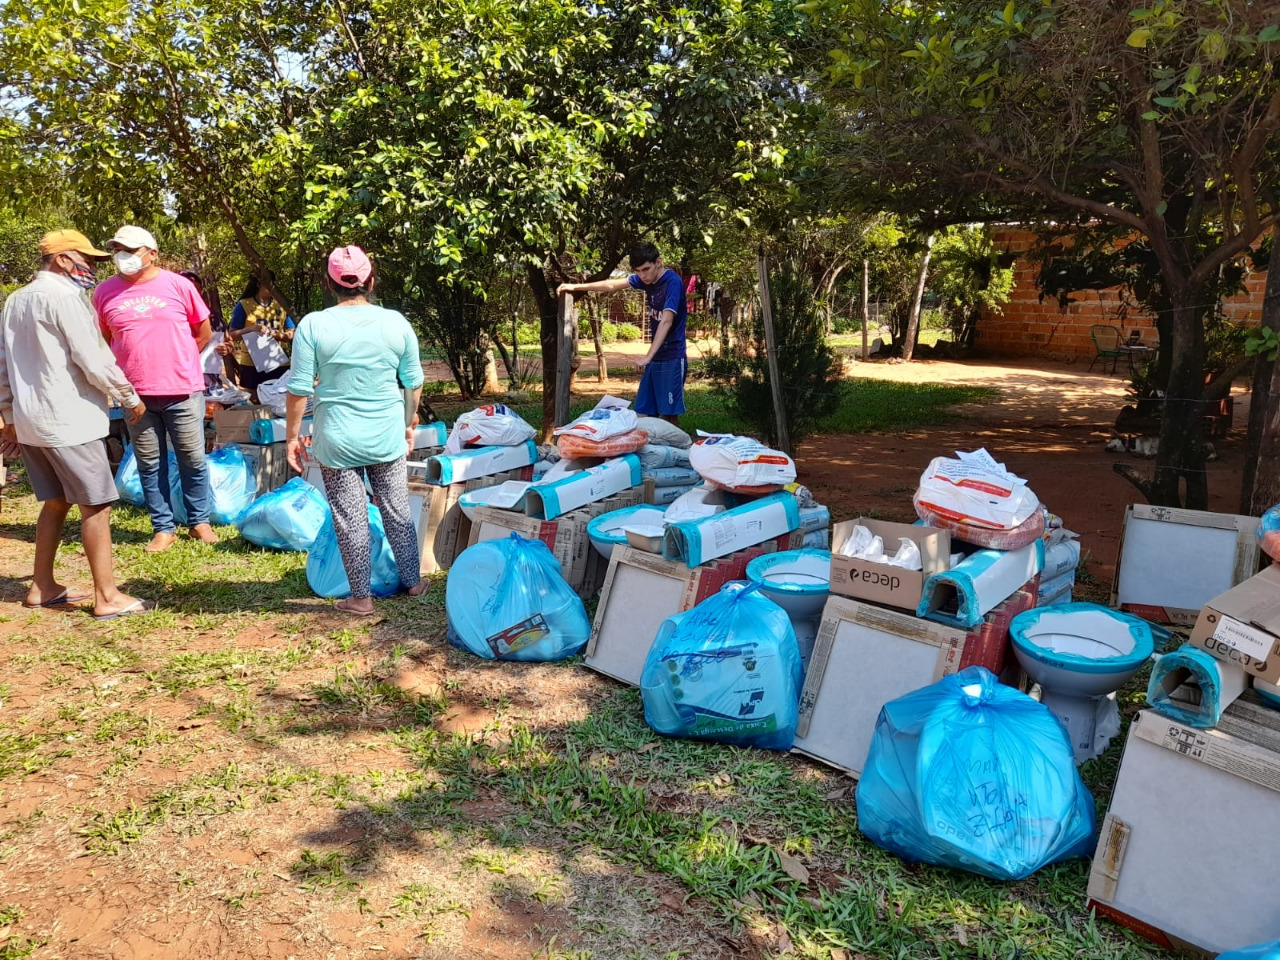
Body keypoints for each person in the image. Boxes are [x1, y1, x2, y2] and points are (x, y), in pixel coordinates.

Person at [0, 230, 153, 619]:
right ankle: (107, 596)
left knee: (55, 502)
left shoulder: (14, 301)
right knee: (96, 505)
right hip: (69, 419)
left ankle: (42, 586)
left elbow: (3, 365)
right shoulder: (67, 298)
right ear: (64, 260)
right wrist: (128, 395)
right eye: (86, 260)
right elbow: (93, 357)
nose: (91, 268)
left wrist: (8, 416)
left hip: (31, 419)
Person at [284, 245, 426, 615]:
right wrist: (408, 424)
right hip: (385, 435)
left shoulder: (313, 325)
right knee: (396, 508)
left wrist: (292, 436)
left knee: (350, 517)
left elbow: (300, 387)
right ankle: (413, 583)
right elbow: (413, 382)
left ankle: (361, 598)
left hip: (337, 438)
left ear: (329, 284)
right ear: (371, 280)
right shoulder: (396, 322)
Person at [93, 225, 217, 553]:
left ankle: (198, 522)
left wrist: (180, 359)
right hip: (135, 395)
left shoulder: (178, 285)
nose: (124, 256)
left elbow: (202, 332)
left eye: (131, 250)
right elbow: (104, 341)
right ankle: (163, 528)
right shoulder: (104, 292)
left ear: (153, 253)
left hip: (183, 389)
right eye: (118, 249)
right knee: (149, 462)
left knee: (192, 457)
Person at [557, 242, 688, 424]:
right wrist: (576, 287)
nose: (642, 275)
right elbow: (612, 285)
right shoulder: (645, 280)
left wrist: (647, 357)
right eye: (638, 271)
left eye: (646, 269)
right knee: (641, 414)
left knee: (669, 416)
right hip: (655, 359)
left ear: (659, 262)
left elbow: (666, 320)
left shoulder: (672, 282)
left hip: (672, 357)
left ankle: (679, 452)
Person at [223, 274, 294, 399]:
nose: (272, 287)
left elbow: (292, 332)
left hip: (278, 362)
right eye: (268, 283)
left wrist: (279, 335)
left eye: (273, 283)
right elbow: (231, 335)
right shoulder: (244, 305)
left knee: (281, 399)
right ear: (258, 284)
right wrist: (251, 329)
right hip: (252, 364)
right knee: (255, 401)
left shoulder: (281, 305)